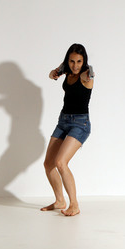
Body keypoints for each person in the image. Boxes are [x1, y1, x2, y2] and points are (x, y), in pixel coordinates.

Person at [41, 43, 94, 216]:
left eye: (79, 61)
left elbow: (90, 73)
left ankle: (74, 205)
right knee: (48, 163)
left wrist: (89, 70)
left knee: (61, 162)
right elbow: (52, 75)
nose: (75, 65)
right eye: (72, 61)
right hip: (63, 121)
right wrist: (55, 72)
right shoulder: (67, 71)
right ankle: (60, 201)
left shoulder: (86, 75)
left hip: (80, 124)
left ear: (84, 61)